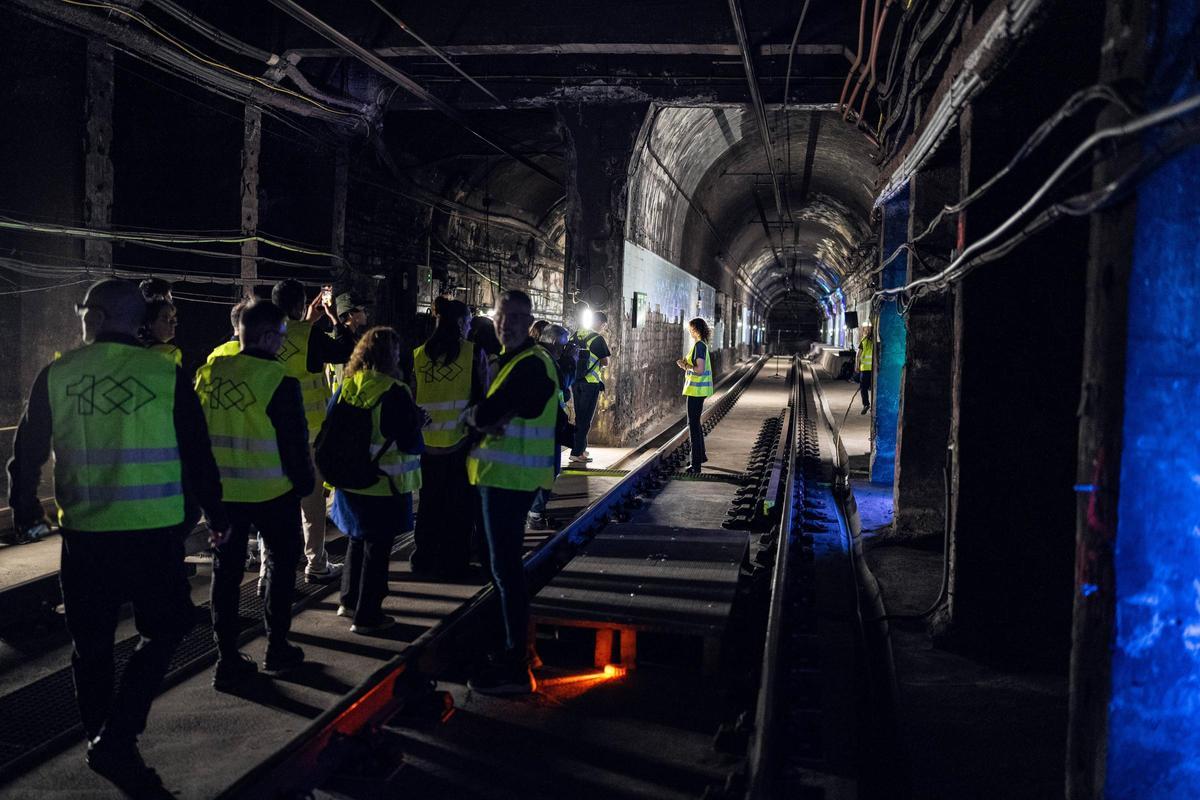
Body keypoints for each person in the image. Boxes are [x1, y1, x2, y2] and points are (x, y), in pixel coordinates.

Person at [6, 279, 228, 793]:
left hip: (85, 534)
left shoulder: (58, 373)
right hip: (153, 534)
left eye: (84, 311)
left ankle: (100, 738)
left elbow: (28, 448)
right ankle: (119, 733)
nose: (80, 318)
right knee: (168, 627)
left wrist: (24, 510)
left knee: (91, 646)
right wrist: (216, 513)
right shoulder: (164, 374)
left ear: (101, 316)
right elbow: (198, 454)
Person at [195, 300, 314, 690]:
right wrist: (306, 484)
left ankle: (226, 658)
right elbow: (294, 444)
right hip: (271, 493)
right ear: (266, 336)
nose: (283, 343)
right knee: (281, 566)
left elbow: (193, 435)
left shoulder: (208, 374)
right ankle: (276, 646)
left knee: (225, 574)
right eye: (281, 335)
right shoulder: (279, 381)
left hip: (221, 496)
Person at [463, 290, 558, 695]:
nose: (508, 324)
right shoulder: (513, 362)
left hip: (510, 482)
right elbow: (491, 414)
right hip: (496, 478)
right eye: (502, 316)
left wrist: (477, 416)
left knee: (504, 568)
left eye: (518, 317)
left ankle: (515, 663)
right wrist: (485, 417)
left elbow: (485, 413)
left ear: (530, 320)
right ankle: (508, 646)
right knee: (494, 563)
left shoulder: (532, 365)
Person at [329, 327, 425, 634]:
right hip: (383, 482)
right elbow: (409, 441)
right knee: (377, 548)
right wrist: (418, 421)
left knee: (356, 540)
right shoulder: (395, 391)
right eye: (396, 353)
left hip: (349, 478)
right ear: (389, 357)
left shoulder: (347, 386)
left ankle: (348, 601)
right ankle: (368, 616)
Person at [271, 279, 356, 583]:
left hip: (270, 435)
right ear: (299, 305)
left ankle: (268, 575)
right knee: (311, 502)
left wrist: (306, 319)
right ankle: (316, 564)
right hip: (308, 433)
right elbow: (346, 351)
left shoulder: (264, 334)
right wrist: (333, 318)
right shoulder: (311, 336)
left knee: (277, 504)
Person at [411, 298, 484, 577]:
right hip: (460, 442)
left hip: (427, 444)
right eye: (467, 322)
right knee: (459, 506)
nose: (468, 327)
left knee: (429, 504)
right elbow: (481, 396)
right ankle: (455, 560)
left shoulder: (418, 354)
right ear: (460, 323)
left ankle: (424, 558)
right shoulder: (472, 353)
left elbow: (413, 394)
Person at [527, 323, 574, 530]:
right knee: (549, 469)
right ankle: (535, 515)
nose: (564, 349)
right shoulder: (547, 360)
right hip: (545, 426)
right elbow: (563, 383)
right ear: (555, 342)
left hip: (539, 424)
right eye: (563, 346)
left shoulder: (535, 354)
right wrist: (572, 360)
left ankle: (532, 511)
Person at [568, 310, 611, 466]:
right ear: (600, 323)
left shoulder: (576, 334)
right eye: (604, 325)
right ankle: (576, 452)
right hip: (590, 383)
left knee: (579, 416)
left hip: (575, 381)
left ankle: (581, 448)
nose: (603, 328)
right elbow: (605, 362)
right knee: (585, 419)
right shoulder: (597, 339)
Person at [677, 318, 714, 474]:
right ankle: (701, 456)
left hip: (696, 392)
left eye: (690, 328)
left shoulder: (699, 346)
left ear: (696, 329)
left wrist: (684, 365)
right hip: (697, 392)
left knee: (692, 425)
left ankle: (696, 465)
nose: (689, 330)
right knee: (695, 423)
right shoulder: (701, 345)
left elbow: (698, 369)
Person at [143, 298, 182, 366]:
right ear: (150, 323)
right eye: (165, 318)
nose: (173, 323)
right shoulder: (168, 352)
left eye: (173, 319)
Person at [856, 323, 874, 414]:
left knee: (863, 388)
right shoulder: (875, 342)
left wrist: (857, 366)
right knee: (874, 389)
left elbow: (858, 355)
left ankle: (866, 404)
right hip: (873, 370)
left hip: (865, 369)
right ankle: (873, 407)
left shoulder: (863, 341)